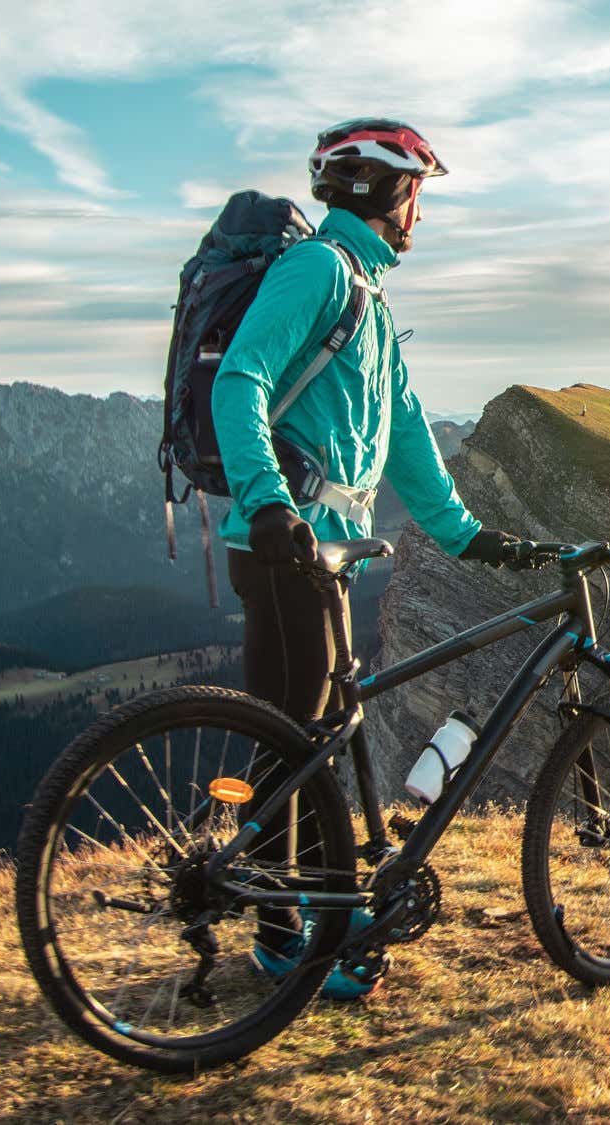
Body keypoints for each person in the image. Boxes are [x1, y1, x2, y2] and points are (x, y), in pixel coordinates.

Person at [212, 117, 536, 999]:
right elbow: (237, 380)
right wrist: (269, 501)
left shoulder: (369, 300)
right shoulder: (317, 271)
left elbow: (407, 444)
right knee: (294, 745)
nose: (419, 216)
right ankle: (286, 941)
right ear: (384, 191)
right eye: (416, 195)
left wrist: (470, 533)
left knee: (314, 732)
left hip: (321, 551)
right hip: (283, 544)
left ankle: (324, 908)